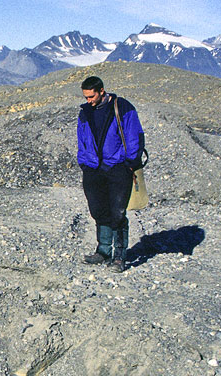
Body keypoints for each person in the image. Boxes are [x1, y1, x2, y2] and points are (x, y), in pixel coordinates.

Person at [77, 76, 144, 272]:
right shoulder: (85, 112)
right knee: (98, 210)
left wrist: (131, 162)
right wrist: (84, 162)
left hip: (117, 167)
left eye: (91, 96)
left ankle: (119, 257)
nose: (88, 100)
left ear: (101, 91)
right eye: (86, 97)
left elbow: (135, 135)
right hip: (93, 168)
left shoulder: (121, 107)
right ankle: (103, 251)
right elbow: (81, 138)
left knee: (118, 212)